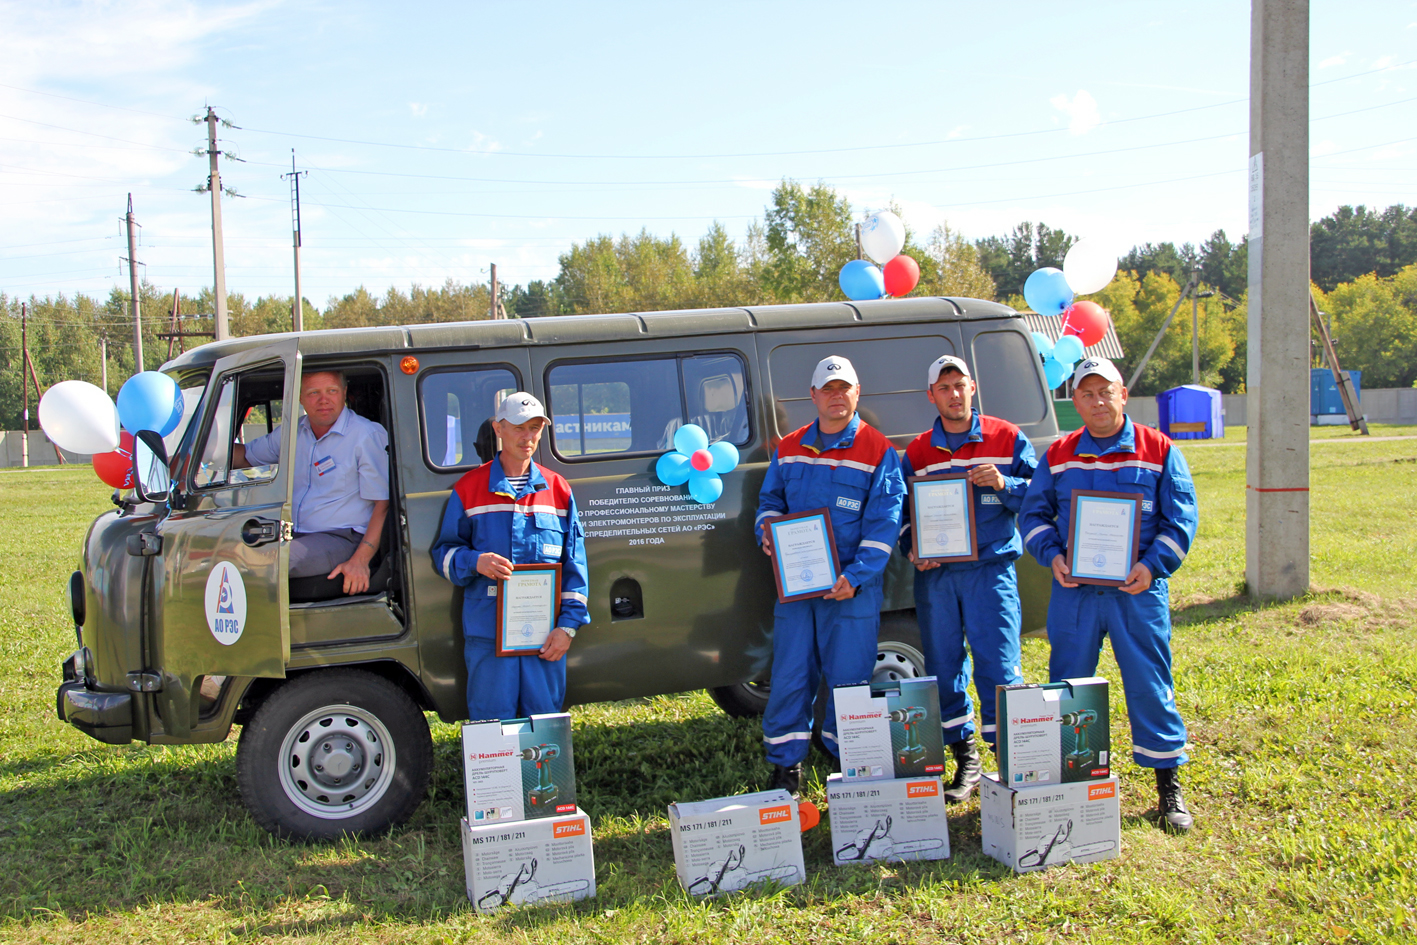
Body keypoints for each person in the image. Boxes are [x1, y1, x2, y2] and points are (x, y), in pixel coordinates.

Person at [1019, 357, 1198, 832]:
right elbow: (1033, 516)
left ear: (1123, 393)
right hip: (1075, 594)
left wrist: (1150, 565)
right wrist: (1052, 556)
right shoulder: (1058, 454)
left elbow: (1181, 519)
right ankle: (1072, 781)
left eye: (1106, 391)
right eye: (1087, 393)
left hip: (1136, 591)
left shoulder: (1158, 449)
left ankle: (1168, 786)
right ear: (1075, 401)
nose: (1098, 401)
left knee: (1149, 683)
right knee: (1068, 685)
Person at [755, 355, 906, 795]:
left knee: (850, 678)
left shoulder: (878, 450)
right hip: (798, 589)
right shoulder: (790, 446)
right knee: (790, 676)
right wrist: (766, 530)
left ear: (857, 394)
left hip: (850, 591)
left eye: (845, 389)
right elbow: (770, 501)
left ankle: (849, 764)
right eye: (829, 390)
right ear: (814, 396)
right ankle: (787, 767)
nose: (836, 397)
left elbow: (885, 523)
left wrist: (856, 576)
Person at [899, 355, 1037, 804]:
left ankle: (1013, 766)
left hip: (990, 572)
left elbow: (1041, 496)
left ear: (972, 388)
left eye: (960, 385)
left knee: (999, 666)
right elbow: (902, 514)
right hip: (938, 577)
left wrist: (1004, 482)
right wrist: (911, 547)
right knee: (942, 666)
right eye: (944, 388)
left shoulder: (1007, 437)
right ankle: (967, 759)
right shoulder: (918, 451)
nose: (953, 394)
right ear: (931, 396)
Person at [430, 393, 590, 721]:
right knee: (492, 725)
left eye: (534, 428)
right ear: (498, 428)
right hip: (489, 636)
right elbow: (443, 554)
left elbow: (575, 565)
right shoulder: (469, 488)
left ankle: (541, 777)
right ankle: (502, 777)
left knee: (544, 724)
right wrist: (475, 562)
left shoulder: (558, 490)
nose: (527, 436)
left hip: (545, 638)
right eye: (518, 427)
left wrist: (568, 628)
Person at [237, 369, 389, 595]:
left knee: (265, 560)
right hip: (294, 533)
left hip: (342, 537)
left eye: (332, 391)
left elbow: (383, 504)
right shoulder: (293, 432)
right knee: (233, 548)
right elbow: (246, 456)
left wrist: (360, 560)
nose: (323, 400)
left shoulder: (365, 435)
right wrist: (202, 452)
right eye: (313, 392)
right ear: (299, 398)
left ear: (344, 393)